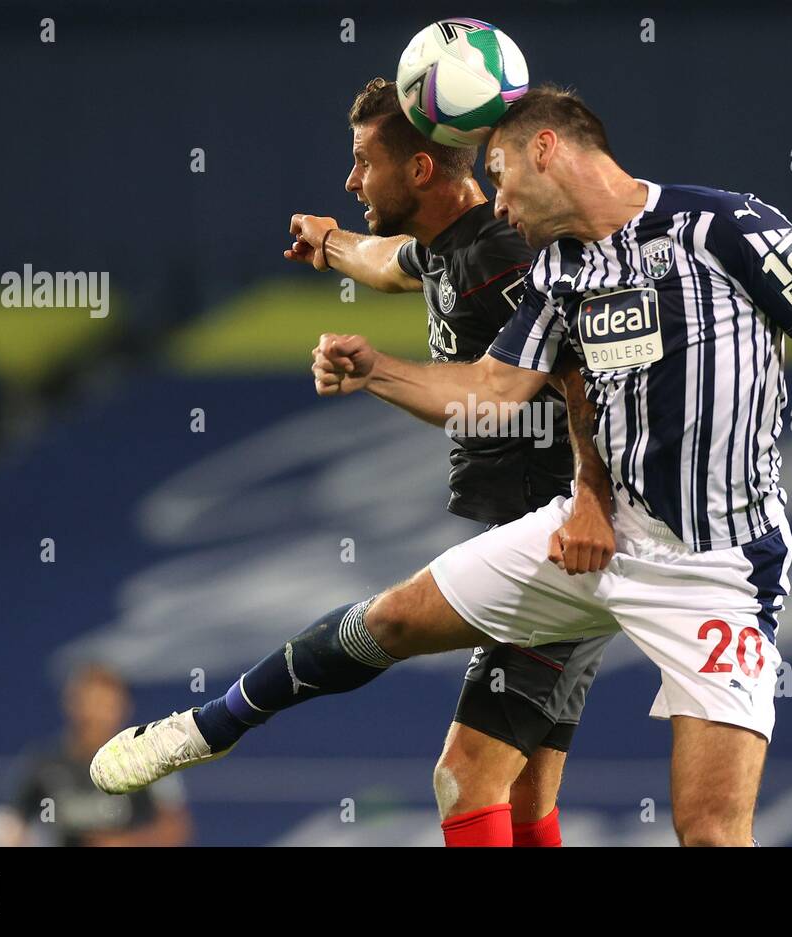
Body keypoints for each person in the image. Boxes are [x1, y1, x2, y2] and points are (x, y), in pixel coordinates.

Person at [91, 86, 792, 846]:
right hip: (591, 536)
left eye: (497, 174)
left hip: (716, 568)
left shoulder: (726, 227)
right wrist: (377, 368)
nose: (494, 199)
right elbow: (498, 387)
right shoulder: (560, 270)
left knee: (708, 829)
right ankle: (212, 726)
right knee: (393, 620)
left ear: (545, 151)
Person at [281, 77, 615, 846]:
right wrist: (330, 243)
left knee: (463, 775)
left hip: (561, 541)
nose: (351, 178)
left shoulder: (497, 254)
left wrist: (590, 498)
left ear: (422, 171)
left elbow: (581, 370)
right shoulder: (449, 250)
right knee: (525, 796)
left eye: (363, 160)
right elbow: (389, 262)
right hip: (562, 536)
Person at [0, 663, 191, 846]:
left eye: (107, 706)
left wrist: (125, 844)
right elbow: (11, 825)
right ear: (72, 705)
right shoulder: (43, 764)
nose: (98, 715)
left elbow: (174, 829)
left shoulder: (149, 758)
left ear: (124, 708)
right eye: (92, 703)